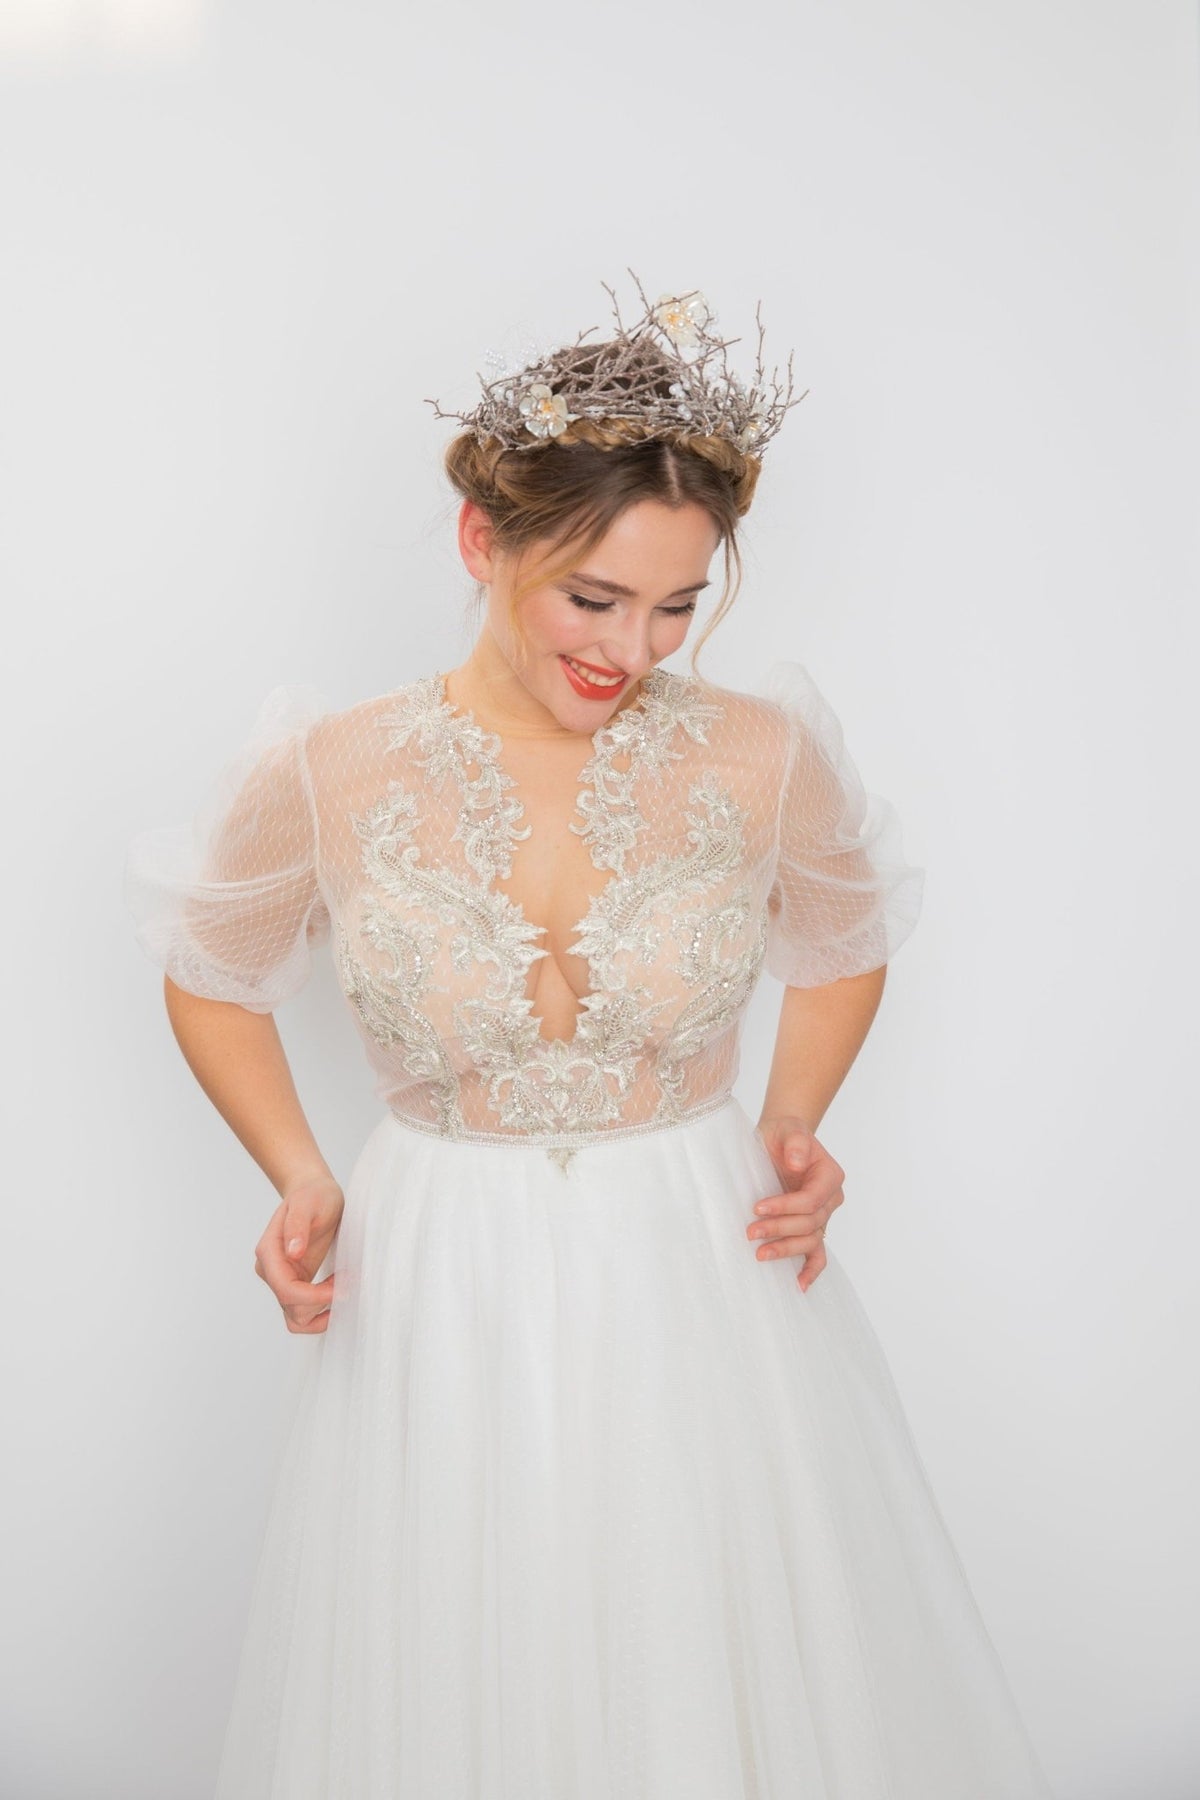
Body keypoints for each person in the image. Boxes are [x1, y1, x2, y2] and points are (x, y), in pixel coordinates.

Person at [123, 273, 1055, 1798]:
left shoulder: (757, 753)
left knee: (702, 1633)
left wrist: (796, 1124)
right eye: (595, 597)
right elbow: (213, 973)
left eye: (678, 605)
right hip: (442, 1269)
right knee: (458, 1651)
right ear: (484, 542)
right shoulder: (334, 769)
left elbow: (842, 936)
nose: (636, 646)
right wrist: (298, 1173)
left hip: (698, 1255)